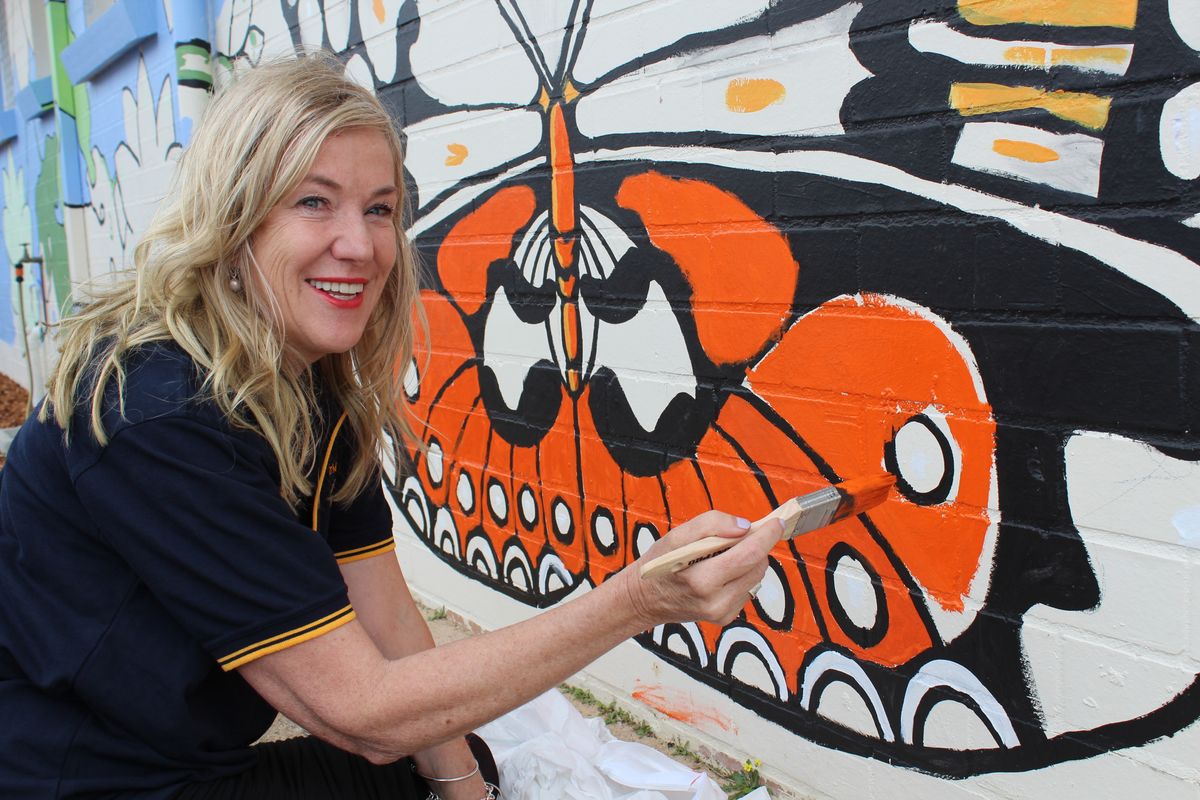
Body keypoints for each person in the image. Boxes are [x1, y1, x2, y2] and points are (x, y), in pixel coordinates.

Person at [0, 53, 778, 800]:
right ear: (234, 220)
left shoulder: (311, 383)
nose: (361, 245)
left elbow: (392, 625)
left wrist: (465, 793)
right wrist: (637, 600)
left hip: (184, 755)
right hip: (75, 775)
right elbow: (367, 712)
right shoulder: (157, 408)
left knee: (459, 761)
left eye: (379, 209)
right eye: (314, 202)